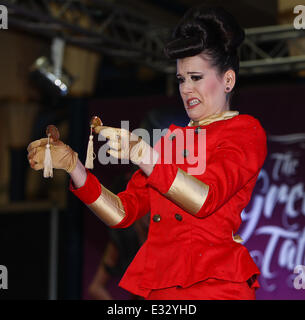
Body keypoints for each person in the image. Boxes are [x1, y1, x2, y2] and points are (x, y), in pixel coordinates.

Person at [27, 6, 267, 300]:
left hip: (217, 287)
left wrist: (142, 153)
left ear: (228, 80)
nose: (186, 89)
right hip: (162, 290)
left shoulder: (244, 130)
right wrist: (75, 167)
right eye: (181, 79)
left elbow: (204, 199)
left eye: (195, 77)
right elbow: (123, 214)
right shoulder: (171, 142)